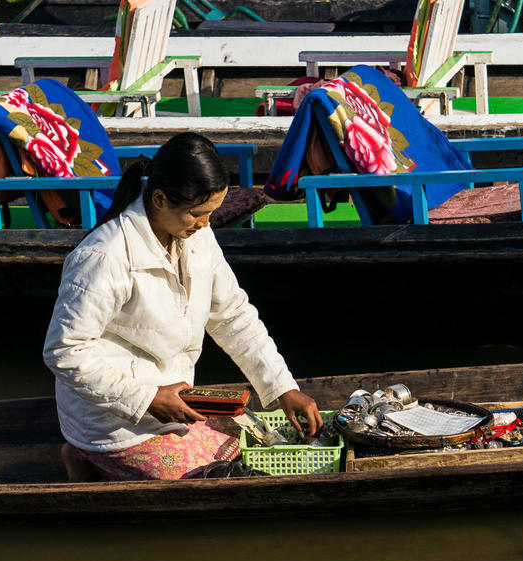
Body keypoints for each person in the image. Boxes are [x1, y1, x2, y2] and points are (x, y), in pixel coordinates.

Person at [43, 132, 322, 481]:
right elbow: (64, 352)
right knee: (223, 473)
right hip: (114, 422)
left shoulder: (196, 235)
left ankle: (84, 459)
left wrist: (283, 388)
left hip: (172, 400)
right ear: (159, 199)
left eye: (210, 213)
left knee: (258, 442)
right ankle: (86, 453)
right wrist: (147, 398)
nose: (205, 224)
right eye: (197, 214)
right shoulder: (104, 255)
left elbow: (233, 315)